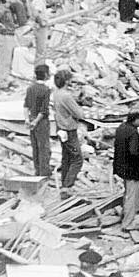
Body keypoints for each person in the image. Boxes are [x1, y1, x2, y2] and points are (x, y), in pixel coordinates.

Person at [53, 69, 84, 197]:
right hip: (69, 129)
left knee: (66, 157)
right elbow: (79, 114)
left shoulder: (56, 93)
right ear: (66, 81)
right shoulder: (66, 96)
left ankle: (64, 183)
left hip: (60, 128)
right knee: (77, 159)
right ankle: (67, 186)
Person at [113, 110, 139, 230]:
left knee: (127, 193)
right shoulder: (133, 133)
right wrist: (138, 166)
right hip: (131, 168)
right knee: (132, 195)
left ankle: (125, 215)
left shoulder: (121, 127)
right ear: (135, 119)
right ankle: (128, 223)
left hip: (120, 165)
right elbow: (133, 152)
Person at [23, 63, 52, 177]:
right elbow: (44, 110)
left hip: (31, 119)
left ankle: (37, 170)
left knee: (35, 147)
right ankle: (44, 173)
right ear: (45, 75)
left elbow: (26, 106)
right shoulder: (46, 89)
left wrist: (27, 120)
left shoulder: (30, 88)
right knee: (44, 147)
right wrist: (36, 121)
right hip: (41, 122)